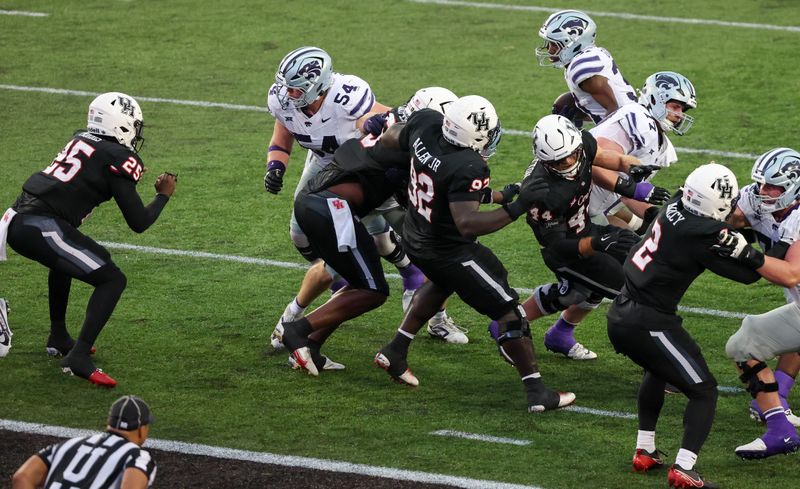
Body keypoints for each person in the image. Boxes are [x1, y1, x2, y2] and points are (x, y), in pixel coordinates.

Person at [374, 95, 575, 413]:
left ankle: (395, 350)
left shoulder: (426, 122)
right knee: (510, 311)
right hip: (448, 248)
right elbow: (467, 223)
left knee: (440, 283)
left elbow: (388, 140)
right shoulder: (469, 165)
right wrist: (517, 206)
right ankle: (537, 391)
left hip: (414, 232)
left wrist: (425, 162)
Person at [277, 87, 463, 375]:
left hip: (324, 203)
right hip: (332, 207)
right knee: (373, 290)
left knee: (358, 280)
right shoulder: (411, 143)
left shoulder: (393, 123)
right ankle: (296, 331)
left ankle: (310, 345)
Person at [0, 92, 177, 387]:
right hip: (42, 224)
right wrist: (163, 195)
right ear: (122, 125)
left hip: (18, 219)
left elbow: (88, 175)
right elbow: (139, 222)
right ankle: (78, 356)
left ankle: (59, 336)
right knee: (112, 279)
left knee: (65, 259)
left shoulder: (80, 139)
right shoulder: (120, 158)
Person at [606, 163, 762, 488]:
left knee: (658, 368)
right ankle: (684, 467)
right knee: (704, 391)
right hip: (649, 321)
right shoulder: (701, 237)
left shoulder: (676, 203)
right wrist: (750, 251)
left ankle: (645, 450)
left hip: (621, 312)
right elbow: (747, 276)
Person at [264, 46, 424, 351]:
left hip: (363, 165)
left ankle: (415, 286)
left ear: (318, 85)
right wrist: (276, 164)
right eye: (286, 86)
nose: (287, 94)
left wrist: (373, 123)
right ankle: (344, 283)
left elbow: (375, 118)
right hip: (324, 165)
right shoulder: (283, 100)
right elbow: (284, 129)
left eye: (296, 89)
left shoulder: (346, 94)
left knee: (394, 232)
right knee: (300, 235)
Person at [531, 72, 694, 361]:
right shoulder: (638, 122)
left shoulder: (654, 134)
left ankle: (558, 332)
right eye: (676, 105)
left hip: (596, 209)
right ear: (656, 98)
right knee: (633, 282)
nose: (679, 114)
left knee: (595, 285)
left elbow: (630, 191)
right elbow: (593, 164)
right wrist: (633, 190)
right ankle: (656, 359)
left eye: (683, 109)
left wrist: (657, 213)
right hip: (572, 212)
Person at [488, 115, 660, 361]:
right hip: (567, 252)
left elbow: (598, 160)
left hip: (585, 229)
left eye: (572, 154)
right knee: (632, 289)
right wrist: (599, 244)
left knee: (583, 290)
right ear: (545, 160)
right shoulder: (541, 191)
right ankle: (655, 361)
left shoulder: (579, 145)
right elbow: (558, 247)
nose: (569, 162)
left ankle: (527, 327)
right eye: (559, 161)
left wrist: (629, 172)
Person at [713, 147, 800, 458]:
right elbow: (726, 221)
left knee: (746, 343)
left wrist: (745, 252)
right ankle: (778, 414)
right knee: (754, 340)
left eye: (774, 186)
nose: (764, 192)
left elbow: (789, 273)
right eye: (762, 184)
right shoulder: (755, 197)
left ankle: (780, 424)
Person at [12, 395, 157, 489]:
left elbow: (21, 477)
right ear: (141, 429)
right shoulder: (138, 456)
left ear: (109, 422)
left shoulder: (69, 444)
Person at [535, 9, 637, 127]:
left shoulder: (580, 67)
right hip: (633, 119)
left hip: (630, 128)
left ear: (573, 43)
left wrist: (594, 139)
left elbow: (615, 111)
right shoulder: (589, 55)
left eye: (554, 44)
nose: (549, 49)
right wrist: (581, 108)